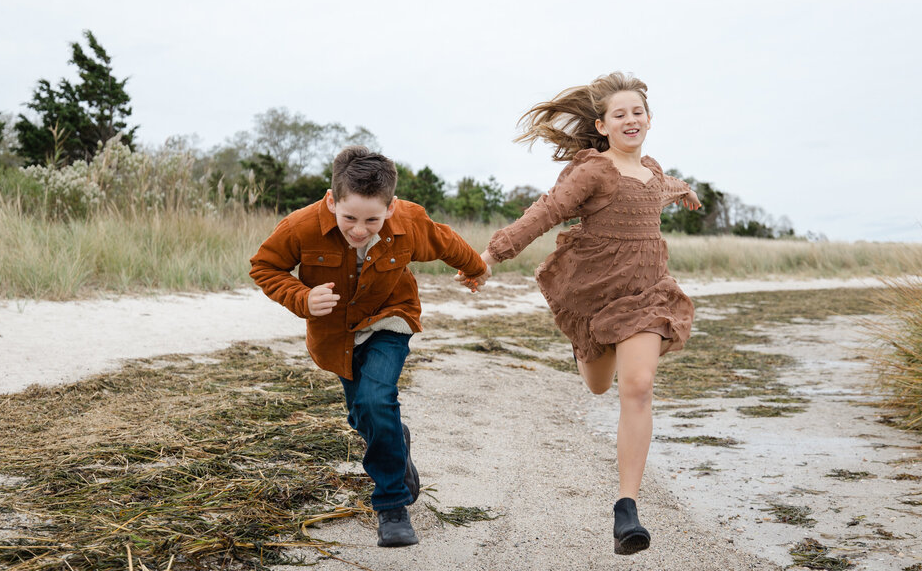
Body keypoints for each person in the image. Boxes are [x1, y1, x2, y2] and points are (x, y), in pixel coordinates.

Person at [479, 72, 701, 555]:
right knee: (599, 384)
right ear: (602, 126)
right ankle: (583, 346)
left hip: (646, 296)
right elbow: (548, 210)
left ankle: (627, 508)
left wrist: (683, 190)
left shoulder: (654, 170)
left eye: (637, 112)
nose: (630, 120)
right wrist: (494, 254)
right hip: (593, 295)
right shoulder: (593, 171)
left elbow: (659, 187)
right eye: (619, 114)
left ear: (649, 120)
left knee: (637, 386)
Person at [250, 146, 491, 548]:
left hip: (391, 318)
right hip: (337, 335)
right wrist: (302, 297)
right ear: (332, 200)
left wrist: (476, 269)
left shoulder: (409, 221)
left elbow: (446, 242)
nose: (360, 230)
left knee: (378, 400)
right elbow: (265, 266)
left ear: (391, 207)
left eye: (372, 219)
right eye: (349, 218)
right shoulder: (301, 226)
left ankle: (392, 506)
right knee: (363, 415)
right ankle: (395, 439)